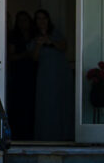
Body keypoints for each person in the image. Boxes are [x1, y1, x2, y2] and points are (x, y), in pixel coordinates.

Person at [30, 9, 72, 141]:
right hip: (45, 75)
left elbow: (64, 47)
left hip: (61, 73)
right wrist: (39, 44)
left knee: (62, 103)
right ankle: (46, 136)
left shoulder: (56, 33)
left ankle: (64, 135)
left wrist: (50, 41)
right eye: (38, 19)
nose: (42, 21)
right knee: (46, 104)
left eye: (44, 18)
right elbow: (34, 58)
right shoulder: (34, 37)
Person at [6, 11, 36, 140]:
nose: (23, 23)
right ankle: (17, 134)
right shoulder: (13, 36)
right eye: (20, 20)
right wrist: (25, 54)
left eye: (26, 20)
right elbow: (10, 56)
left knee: (32, 104)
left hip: (33, 73)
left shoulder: (34, 35)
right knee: (18, 104)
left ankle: (31, 134)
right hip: (18, 73)